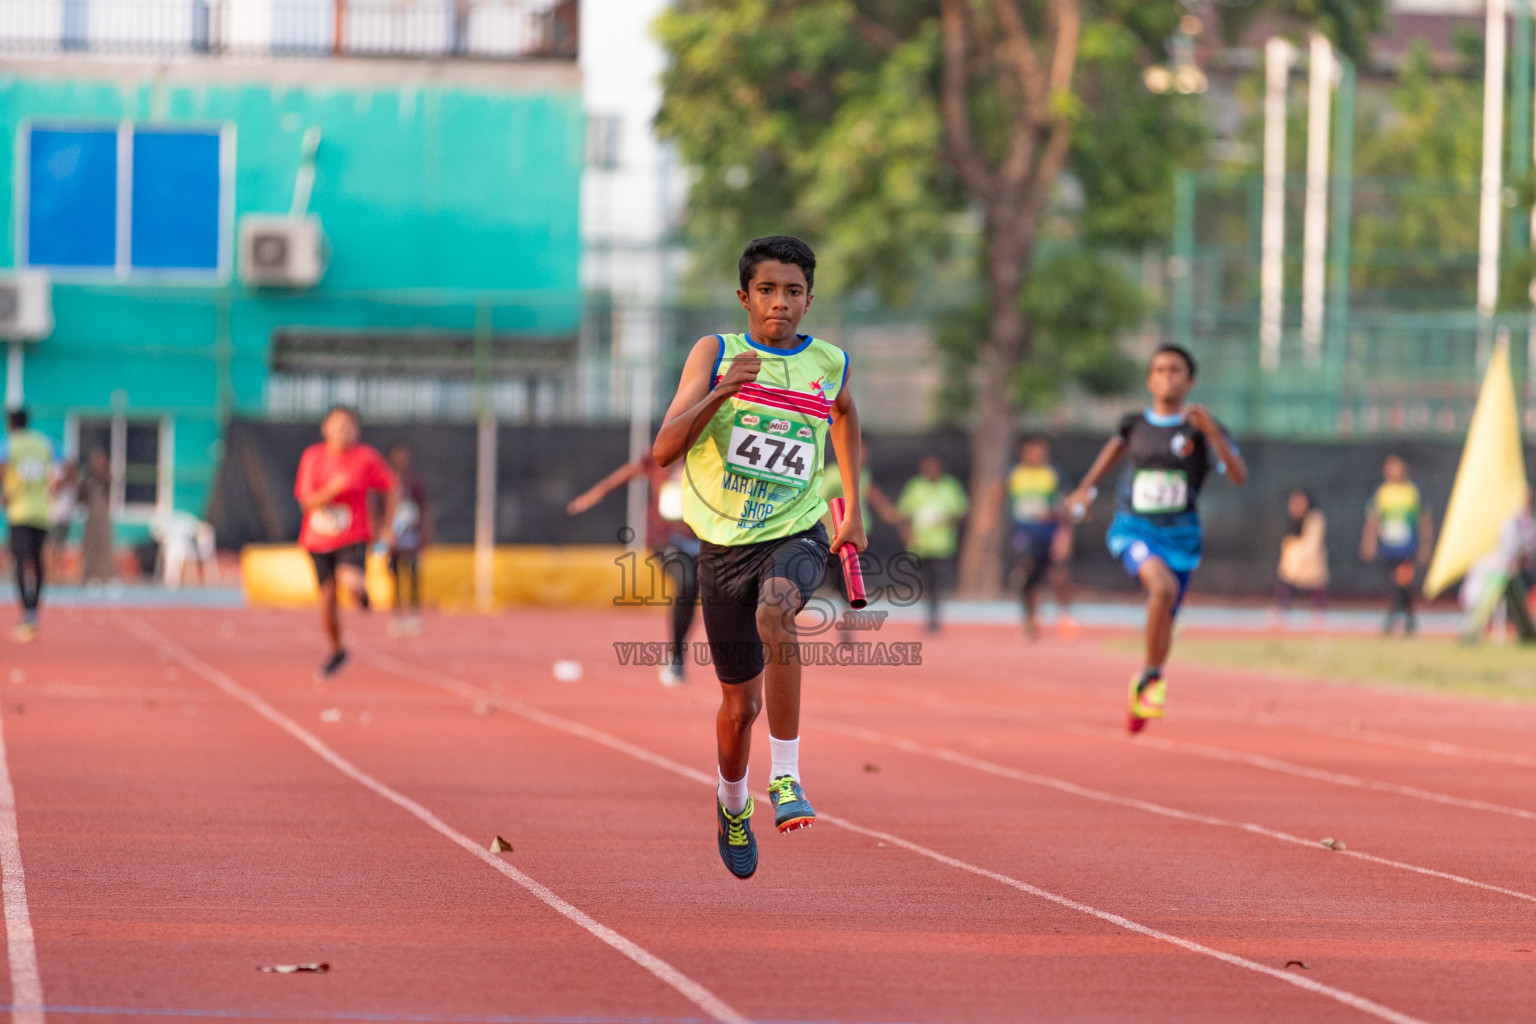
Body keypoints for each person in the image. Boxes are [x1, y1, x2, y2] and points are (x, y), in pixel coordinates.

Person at [652, 236, 864, 879]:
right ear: (745, 297)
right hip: (721, 544)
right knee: (737, 709)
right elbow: (664, 449)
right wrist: (721, 392)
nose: (781, 304)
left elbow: (845, 414)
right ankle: (733, 801)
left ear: (808, 299)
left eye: (794, 292)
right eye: (768, 291)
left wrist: (851, 503)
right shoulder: (715, 353)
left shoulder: (830, 362)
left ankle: (788, 779)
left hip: (795, 531)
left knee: (780, 613)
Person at [1065, 345, 1247, 733]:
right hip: (1134, 528)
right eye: (1160, 370)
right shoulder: (1134, 426)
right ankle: (1151, 679)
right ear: (1150, 380)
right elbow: (1112, 451)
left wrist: (1212, 432)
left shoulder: (1201, 427)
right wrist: (1084, 488)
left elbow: (1237, 475)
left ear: (1190, 380)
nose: (1167, 376)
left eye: (1176, 370)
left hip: (1181, 537)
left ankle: (1148, 679)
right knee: (1160, 590)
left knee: (1166, 618)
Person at [568, 450, 700, 686]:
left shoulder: (719, 451)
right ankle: (676, 658)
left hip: (704, 538)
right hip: (666, 537)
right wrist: (597, 492)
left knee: (698, 595)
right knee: (685, 582)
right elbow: (632, 470)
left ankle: (683, 653)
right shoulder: (667, 448)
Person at [293, 406, 397, 680]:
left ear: (357, 430)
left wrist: (388, 526)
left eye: (349, 426)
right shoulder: (313, 457)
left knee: (349, 580)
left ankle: (360, 594)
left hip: (353, 535)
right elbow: (307, 502)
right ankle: (337, 650)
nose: (343, 432)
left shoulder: (366, 458)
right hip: (318, 539)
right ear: (325, 428)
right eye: (337, 426)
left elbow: (391, 486)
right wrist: (333, 489)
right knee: (327, 602)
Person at [983, 438, 1077, 641]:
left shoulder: (1054, 474)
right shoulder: (1014, 473)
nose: (1039, 454)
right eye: (1034, 450)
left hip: (1050, 534)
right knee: (1026, 574)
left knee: (1058, 575)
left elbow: (1067, 504)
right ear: (1024, 451)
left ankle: (1064, 615)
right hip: (1024, 534)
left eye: (1042, 450)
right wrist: (988, 521)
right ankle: (1029, 620)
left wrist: (1064, 532)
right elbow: (997, 493)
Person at [0, 409, 62, 641]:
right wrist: (55, 488)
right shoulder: (43, 443)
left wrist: (5, 491)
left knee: (20, 561)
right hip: (41, 511)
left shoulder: (11, 443)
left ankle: (27, 612)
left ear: (11, 423)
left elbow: (2, 463)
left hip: (19, 511)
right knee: (36, 561)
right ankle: (34, 610)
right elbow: (67, 464)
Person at [1359, 455, 1433, 637]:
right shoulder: (1382, 492)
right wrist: (1368, 543)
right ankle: (1409, 620)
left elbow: (1424, 520)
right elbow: (1373, 520)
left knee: (1401, 584)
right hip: (1388, 549)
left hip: (1407, 549)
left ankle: (1391, 621)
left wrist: (1425, 546)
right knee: (1395, 586)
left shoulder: (1413, 491)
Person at [895, 456, 969, 633]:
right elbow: (903, 513)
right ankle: (929, 616)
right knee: (925, 584)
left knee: (937, 584)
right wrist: (906, 533)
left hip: (942, 545)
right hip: (920, 545)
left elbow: (961, 511)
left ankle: (934, 618)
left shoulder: (950, 486)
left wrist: (943, 518)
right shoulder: (915, 487)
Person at [386, 444, 433, 637]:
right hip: (393, 537)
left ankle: (414, 615)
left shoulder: (414, 481)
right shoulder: (386, 480)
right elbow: (379, 508)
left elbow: (424, 508)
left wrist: (426, 535)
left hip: (412, 537)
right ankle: (397, 615)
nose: (402, 459)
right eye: (398, 455)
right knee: (395, 577)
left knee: (413, 576)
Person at [1275, 489, 1328, 621]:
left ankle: (1320, 618)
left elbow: (1312, 543)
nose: (1296, 505)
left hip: (1310, 563)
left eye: (1300, 501)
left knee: (1317, 587)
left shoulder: (1315, 518)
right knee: (1285, 588)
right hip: (1293, 564)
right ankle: (1281, 616)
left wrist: (1302, 557)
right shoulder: (1292, 520)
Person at [79, 447, 113, 584]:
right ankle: (90, 575)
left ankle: (106, 576)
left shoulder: (105, 477)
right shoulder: (87, 479)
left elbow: (107, 488)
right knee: (90, 546)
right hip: (91, 515)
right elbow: (81, 498)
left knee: (104, 545)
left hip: (103, 515)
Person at [44, 457, 78, 582]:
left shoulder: (73, 481)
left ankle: (57, 573)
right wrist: (64, 479)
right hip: (54, 516)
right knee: (51, 545)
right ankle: (49, 573)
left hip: (65, 517)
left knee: (60, 546)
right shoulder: (56, 475)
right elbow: (53, 492)